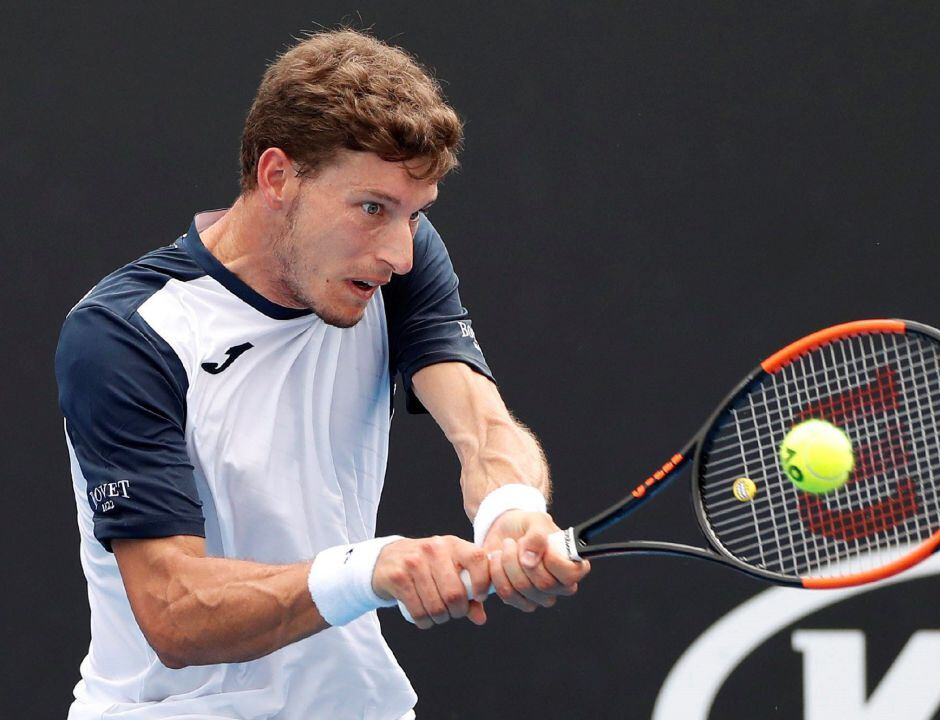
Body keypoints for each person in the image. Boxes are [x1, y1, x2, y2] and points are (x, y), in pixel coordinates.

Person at [55, 28, 589, 720]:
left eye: (414, 215)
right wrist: (370, 569)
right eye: (372, 209)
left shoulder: (395, 261)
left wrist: (512, 511)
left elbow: (482, 426)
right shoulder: (127, 335)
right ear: (278, 176)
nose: (400, 250)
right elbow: (175, 612)